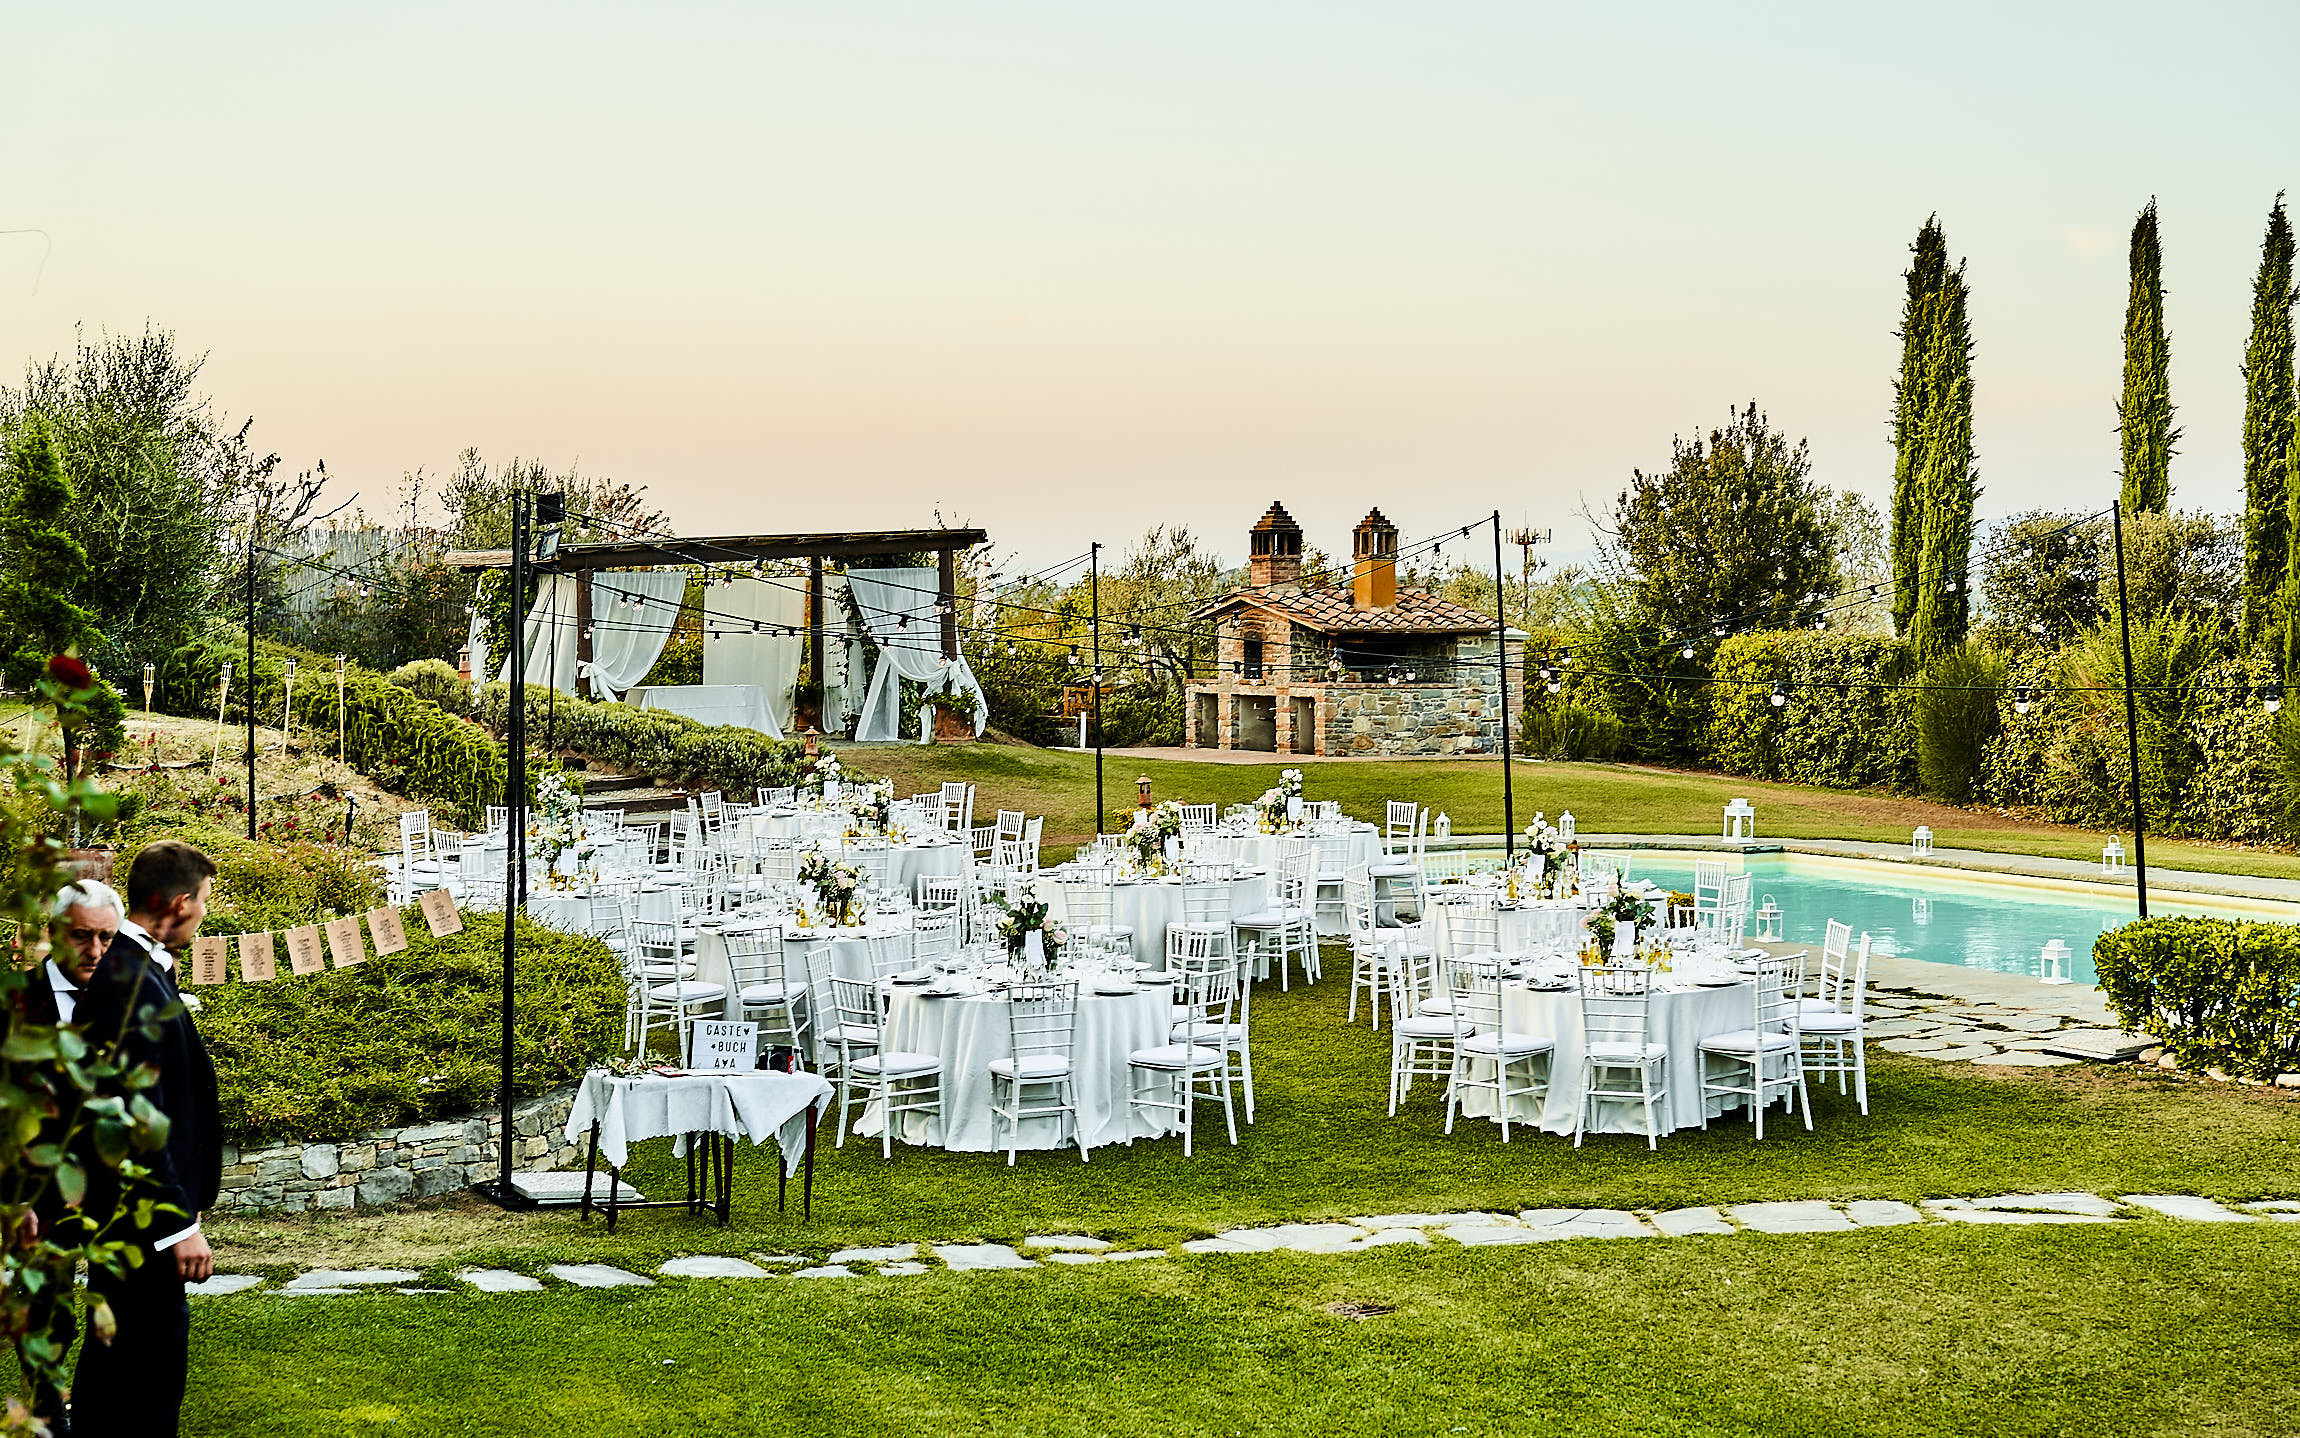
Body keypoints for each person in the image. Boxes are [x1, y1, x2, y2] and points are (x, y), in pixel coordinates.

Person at [71, 841, 221, 1438]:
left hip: (127, 1216)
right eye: (204, 901)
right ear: (180, 903)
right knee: (149, 1364)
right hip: (140, 1220)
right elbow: (135, 1117)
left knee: (119, 1354)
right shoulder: (130, 982)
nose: (206, 913)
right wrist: (178, 1227)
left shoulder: (139, 971)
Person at [14, 879, 125, 1436]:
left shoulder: (133, 997)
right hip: (39, 1189)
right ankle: (48, 1411)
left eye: (108, 937)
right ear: (56, 934)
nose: (96, 952)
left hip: (117, 1186)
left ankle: (98, 1408)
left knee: (123, 1310)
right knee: (45, 1311)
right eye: (83, 937)